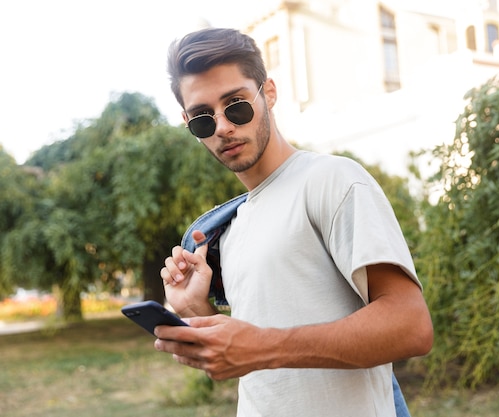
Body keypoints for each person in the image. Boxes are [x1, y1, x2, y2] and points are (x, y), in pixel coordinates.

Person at [156, 27, 433, 417]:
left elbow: (411, 326)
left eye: (235, 104)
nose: (222, 127)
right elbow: (265, 368)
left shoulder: (331, 180)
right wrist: (199, 310)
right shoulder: (231, 229)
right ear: (187, 122)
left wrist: (263, 347)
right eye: (203, 118)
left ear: (268, 92)